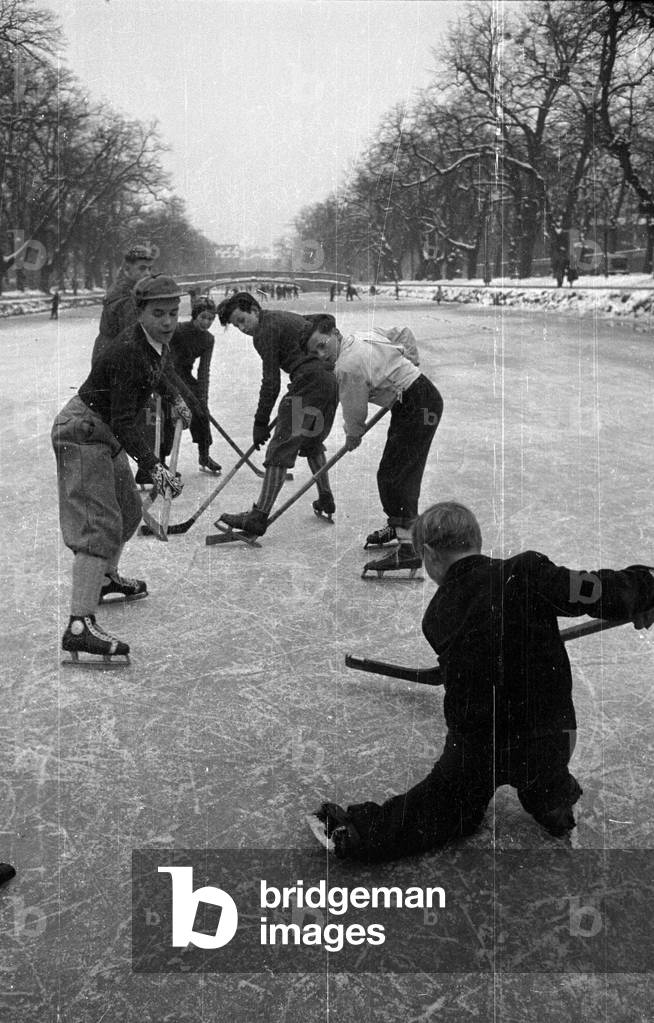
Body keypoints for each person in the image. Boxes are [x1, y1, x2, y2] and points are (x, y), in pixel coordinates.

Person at [309, 501, 654, 861]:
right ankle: (553, 802)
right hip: (551, 736)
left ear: (428, 554)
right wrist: (646, 590)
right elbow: (596, 590)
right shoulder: (525, 572)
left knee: (439, 806)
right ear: (476, 539)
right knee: (544, 776)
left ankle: (361, 834)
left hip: (478, 745)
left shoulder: (437, 616)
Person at [51, 275, 192, 665]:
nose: (167, 322)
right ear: (140, 312)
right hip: (82, 433)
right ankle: (79, 626)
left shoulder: (154, 344)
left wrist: (176, 397)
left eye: (173, 313)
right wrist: (155, 467)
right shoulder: (128, 350)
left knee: (129, 512)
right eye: (158, 313)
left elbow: (159, 373)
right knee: (98, 524)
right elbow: (127, 420)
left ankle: (106, 578)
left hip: (103, 431)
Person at [305, 317, 443, 576]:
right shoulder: (361, 336)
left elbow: (354, 408)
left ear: (335, 333)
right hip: (419, 399)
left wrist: (353, 436)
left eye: (322, 345)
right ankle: (400, 527)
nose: (322, 355)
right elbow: (402, 330)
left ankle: (409, 548)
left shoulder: (346, 365)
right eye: (315, 352)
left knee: (396, 476)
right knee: (395, 473)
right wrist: (411, 361)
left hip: (418, 406)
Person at [215, 294, 339, 535]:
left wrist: (260, 421)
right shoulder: (281, 317)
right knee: (312, 442)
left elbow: (271, 381)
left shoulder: (264, 331)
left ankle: (258, 516)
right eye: (237, 325)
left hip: (307, 382)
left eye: (242, 320)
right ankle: (326, 498)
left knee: (280, 450)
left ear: (254, 309)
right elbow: (324, 321)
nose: (243, 328)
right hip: (328, 381)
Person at [163, 296, 221, 474]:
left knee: (202, 412)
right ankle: (160, 459)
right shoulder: (178, 330)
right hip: (166, 375)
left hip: (185, 376)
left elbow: (204, 372)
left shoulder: (208, 339)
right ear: (195, 315)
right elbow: (167, 365)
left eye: (211, 319)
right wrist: (188, 395)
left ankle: (204, 455)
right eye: (203, 317)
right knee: (168, 416)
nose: (207, 322)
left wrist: (202, 398)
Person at [91, 243, 154, 364]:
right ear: (127, 270)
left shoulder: (132, 289)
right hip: (113, 357)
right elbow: (134, 332)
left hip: (113, 352)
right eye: (142, 268)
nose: (147, 273)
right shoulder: (124, 294)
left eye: (149, 269)